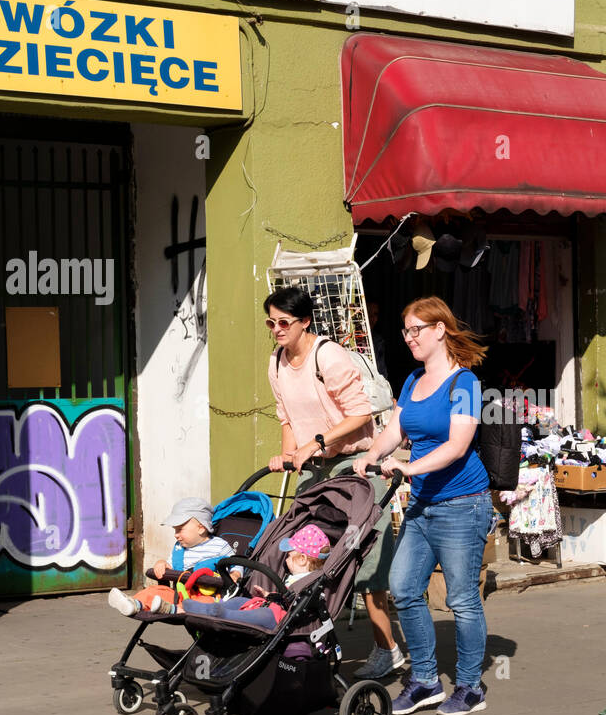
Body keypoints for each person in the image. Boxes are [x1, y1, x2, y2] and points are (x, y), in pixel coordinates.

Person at [354, 297, 494, 715]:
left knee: (462, 599)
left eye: (417, 329)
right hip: (422, 505)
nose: (410, 337)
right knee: (404, 587)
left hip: (463, 505)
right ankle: (426, 680)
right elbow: (394, 430)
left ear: (439, 330)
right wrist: (372, 456)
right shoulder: (413, 380)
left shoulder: (465, 384)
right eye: (406, 331)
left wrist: (407, 467)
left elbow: (457, 446)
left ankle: (470, 686)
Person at [264, 286, 402, 678]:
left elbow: (361, 414)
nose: (276, 329)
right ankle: (305, 642)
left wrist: (317, 442)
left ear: (304, 321)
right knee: (303, 552)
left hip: (355, 464)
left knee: (365, 560)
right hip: (314, 467)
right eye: (271, 323)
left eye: (284, 322)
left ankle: (386, 648)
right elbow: (286, 417)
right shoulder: (276, 362)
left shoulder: (329, 356)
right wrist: (289, 454)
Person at [176, 524, 332, 628]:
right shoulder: (292, 577)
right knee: (239, 600)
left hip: (280, 618)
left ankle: (223, 614)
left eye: (290, 556)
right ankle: (209, 608)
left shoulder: (311, 582)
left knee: (263, 615)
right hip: (269, 605)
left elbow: (299, 604)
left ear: (303, 559)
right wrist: (268, 595)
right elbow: (284, 596)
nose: (286, 560)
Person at [107, 497, 239, 616]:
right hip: (179, 594)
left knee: (205, 603)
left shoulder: (219, 546)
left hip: (205, 594)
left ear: (201, 528)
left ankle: (172, 609)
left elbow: (236, 563)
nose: (176, 534)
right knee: (156, 590)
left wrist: (235, 575)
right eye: (175, 530)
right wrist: (162, 563)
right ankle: (134, 604)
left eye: (180, 529)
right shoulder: (179, 548)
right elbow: (170, 565)